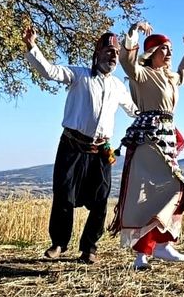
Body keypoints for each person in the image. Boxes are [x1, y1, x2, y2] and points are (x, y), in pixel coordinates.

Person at [23, 26, 136, 265]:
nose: (113, 56)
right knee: (64, 195)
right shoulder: (79, 75)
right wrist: (32, 46)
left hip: (101, 150)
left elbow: (134, 111)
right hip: (72, 146)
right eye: (109, 51)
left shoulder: (119, 87)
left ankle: (89, 248)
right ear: (97, 53)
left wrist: (155, 111)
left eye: (116, 52)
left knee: (101, 199)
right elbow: (49, 71)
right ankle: (59, 243)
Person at [109, 21, 184, 270]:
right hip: (148, 139)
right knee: (159, 191)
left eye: (171, 49)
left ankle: (156, 248)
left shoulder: (171, 78)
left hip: (166, 137)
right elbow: (128, 62)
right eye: (165, 49)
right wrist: (133, 31)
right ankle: (151, 250)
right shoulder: (142, 75)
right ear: (152, 52)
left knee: (166, 191)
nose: (169, 53)